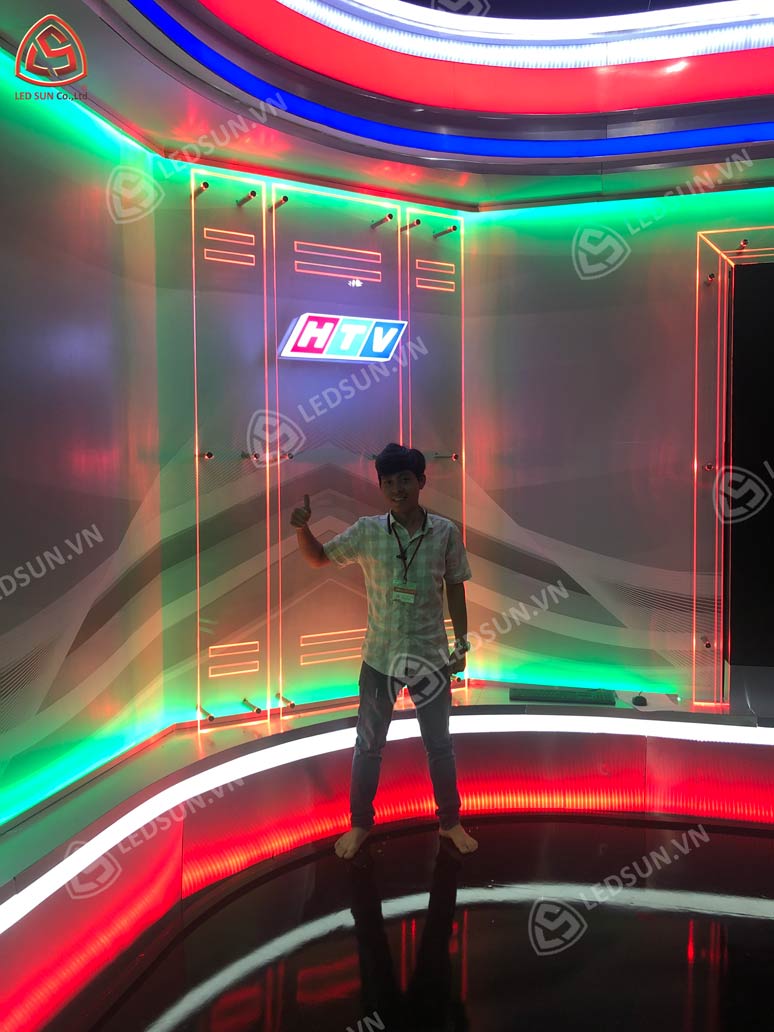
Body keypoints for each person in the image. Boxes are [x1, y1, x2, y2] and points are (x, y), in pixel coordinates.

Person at [290, 442, 478, 859]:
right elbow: (319, 558)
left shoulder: (445, 532)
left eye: (404, 480)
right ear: (381, 486)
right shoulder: (367, 531)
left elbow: (455, 588)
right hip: (380, 658)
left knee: (440, 745)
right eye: (388, 482)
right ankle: (360, 824)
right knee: (368, 745)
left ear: (421, 481)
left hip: (431, 657)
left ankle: (450, 822)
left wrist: (462, 643)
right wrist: (303, 529)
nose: (397, 489)